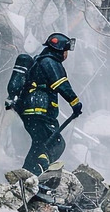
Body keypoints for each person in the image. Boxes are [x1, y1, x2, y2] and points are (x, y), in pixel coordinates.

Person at [20, 33, 82, 175]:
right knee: (56, 143)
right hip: (40, 110)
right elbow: (61, 84)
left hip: (31, 110)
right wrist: (75, 103)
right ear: (60, 50)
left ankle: (26, 174)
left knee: (38, 144)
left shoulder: (40, 60)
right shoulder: (50, 62)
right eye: (66, 51)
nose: (67, 54)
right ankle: (40, 170)